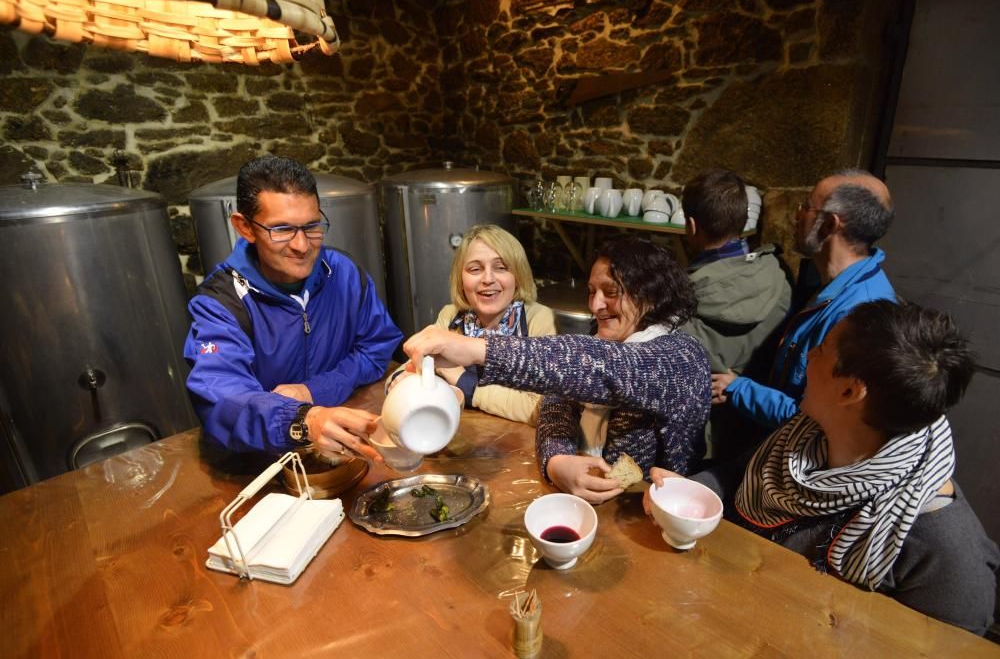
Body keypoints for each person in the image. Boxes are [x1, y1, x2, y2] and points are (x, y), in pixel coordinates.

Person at [647, 301, 999, 635]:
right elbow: (738, 473)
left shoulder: (944, 550)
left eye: (822, 349)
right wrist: (691, 494)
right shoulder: (804, 435)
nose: (809, 355)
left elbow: (953, 642)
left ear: (849, 391)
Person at [404, 235, 711, 504]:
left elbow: (598, 367)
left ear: (652, 293)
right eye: (592, 291)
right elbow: (556, 399)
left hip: (647, 515)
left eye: (611, 291)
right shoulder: (610, 337)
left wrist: (476, 349)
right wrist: (557, 460)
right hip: (586, 510)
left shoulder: (682, 356)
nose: (596, 305)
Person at [184, 155, 402, 458]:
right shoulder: (220, 304)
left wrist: (315, 391)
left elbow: (377, 345)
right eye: (282, 229)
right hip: (262, 460)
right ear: (245, 227)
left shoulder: (343, 272)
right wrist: (300, 418)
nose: (301, 245)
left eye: (311, 226)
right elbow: (222, 396)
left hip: (340, 448)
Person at [712, 169, 896, 430]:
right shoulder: (828, 283)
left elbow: (815, 421)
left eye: (807, 207)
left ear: (831, 224)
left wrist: (739, 389)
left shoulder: (859, 315)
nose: (796, 215)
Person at [677, 169, 792, 459]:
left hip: (697, 441)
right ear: (743, 220)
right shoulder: (781, 278)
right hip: (757, 431)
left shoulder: (679, 294)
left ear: (691, 225)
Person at [391, 225, 557, 424]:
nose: (488, 279)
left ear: (518, 276)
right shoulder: (451, 315)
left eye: (501, 267)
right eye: (475, 269)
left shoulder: (537, 319)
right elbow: (409, 368)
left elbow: (539, 408)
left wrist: (462, 380)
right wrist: (401, 382)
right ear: (461, 279)